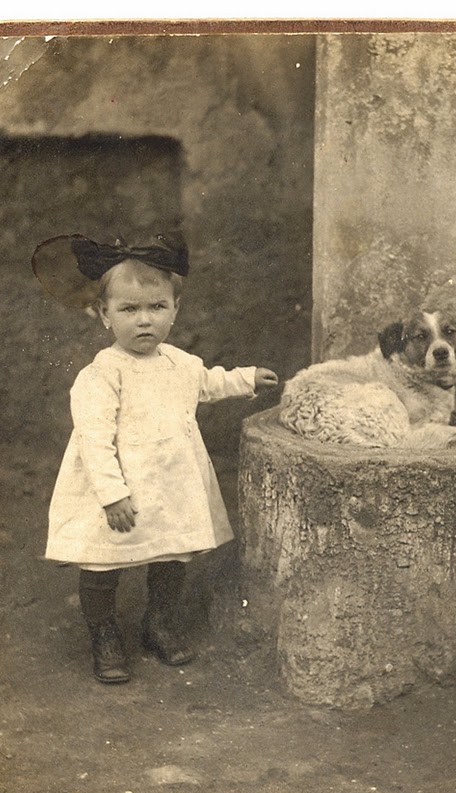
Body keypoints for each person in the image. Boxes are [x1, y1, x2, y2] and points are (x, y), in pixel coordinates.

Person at [32, 232, 279, 684]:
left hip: (169, 483)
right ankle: (104, 632)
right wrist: (111, 495)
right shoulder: (101, 374)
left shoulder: (179, 363)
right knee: (101, 561)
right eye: (128, 310)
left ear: (174, 310)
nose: (144, 321)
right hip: (120, 488)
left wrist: (246, 378)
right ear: (104, 315)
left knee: (171, 554)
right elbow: (93, 439)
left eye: (156, 308)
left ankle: (158, 622)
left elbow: (207, 382)